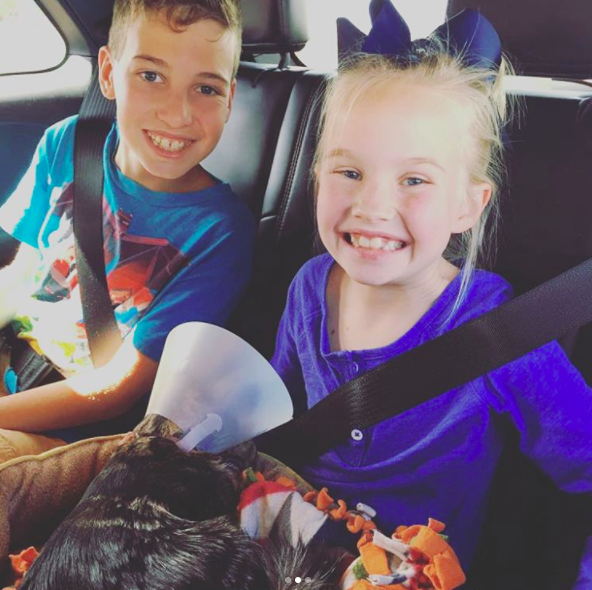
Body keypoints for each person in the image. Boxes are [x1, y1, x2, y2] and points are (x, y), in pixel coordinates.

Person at [270, 3, 592, 584]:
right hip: (287, 557)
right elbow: (273, 422)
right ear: (316, 178)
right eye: (349, 172)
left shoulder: (498, 333)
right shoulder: (309, 288)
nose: (372, 206)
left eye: (414, 180)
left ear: (468, 205)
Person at [0, 0, 255, 460]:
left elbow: (119, 388)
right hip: (11, 362)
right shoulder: (68, 141)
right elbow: (21, 275)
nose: (178, 114)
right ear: (108, 73)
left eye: (206, 88)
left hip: (76, 428)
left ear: (230, 98)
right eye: (151, 76)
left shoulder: (220, 232)